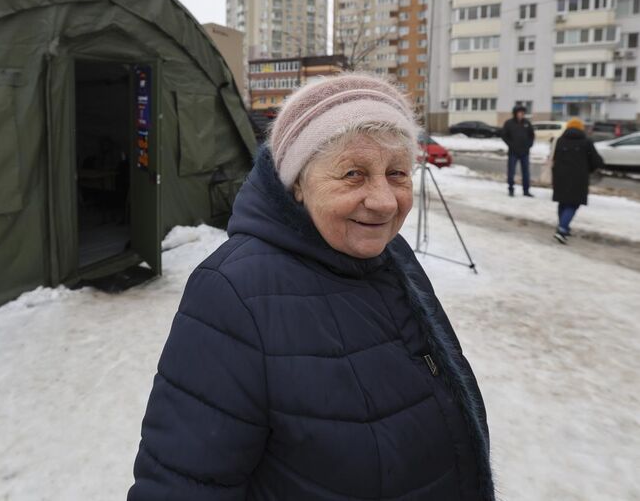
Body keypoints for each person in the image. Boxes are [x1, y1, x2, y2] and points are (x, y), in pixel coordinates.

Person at [128, 74, 494, 501]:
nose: (384, 201)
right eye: (353, 174)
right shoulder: (233, 293)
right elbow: (181, 483)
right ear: (297, 183)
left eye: (397, 173)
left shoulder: (395, 258)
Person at [551, 118, 603, 244]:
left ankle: (563, 226)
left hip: (560, 176)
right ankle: (562, 229)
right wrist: (589, 169)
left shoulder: (560, 141)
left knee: (563, 202)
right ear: (581, 128)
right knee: (573, 203)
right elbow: (596, 161)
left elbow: (555, 158)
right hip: (578, 177)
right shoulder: (586, 142)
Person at [501, 104, 535, 197]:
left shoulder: (527, 123)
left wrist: (529, 144)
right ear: (515, 113)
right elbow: (504, 135)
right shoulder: (509, 123)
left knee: (526, 172)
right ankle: (511, 189)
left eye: (523, 113)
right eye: (519, 113)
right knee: (511, 171)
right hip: (513, 152)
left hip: (525, 152)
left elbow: (532, 135)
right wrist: (511, 144)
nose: (521, 114)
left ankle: (526, 190)